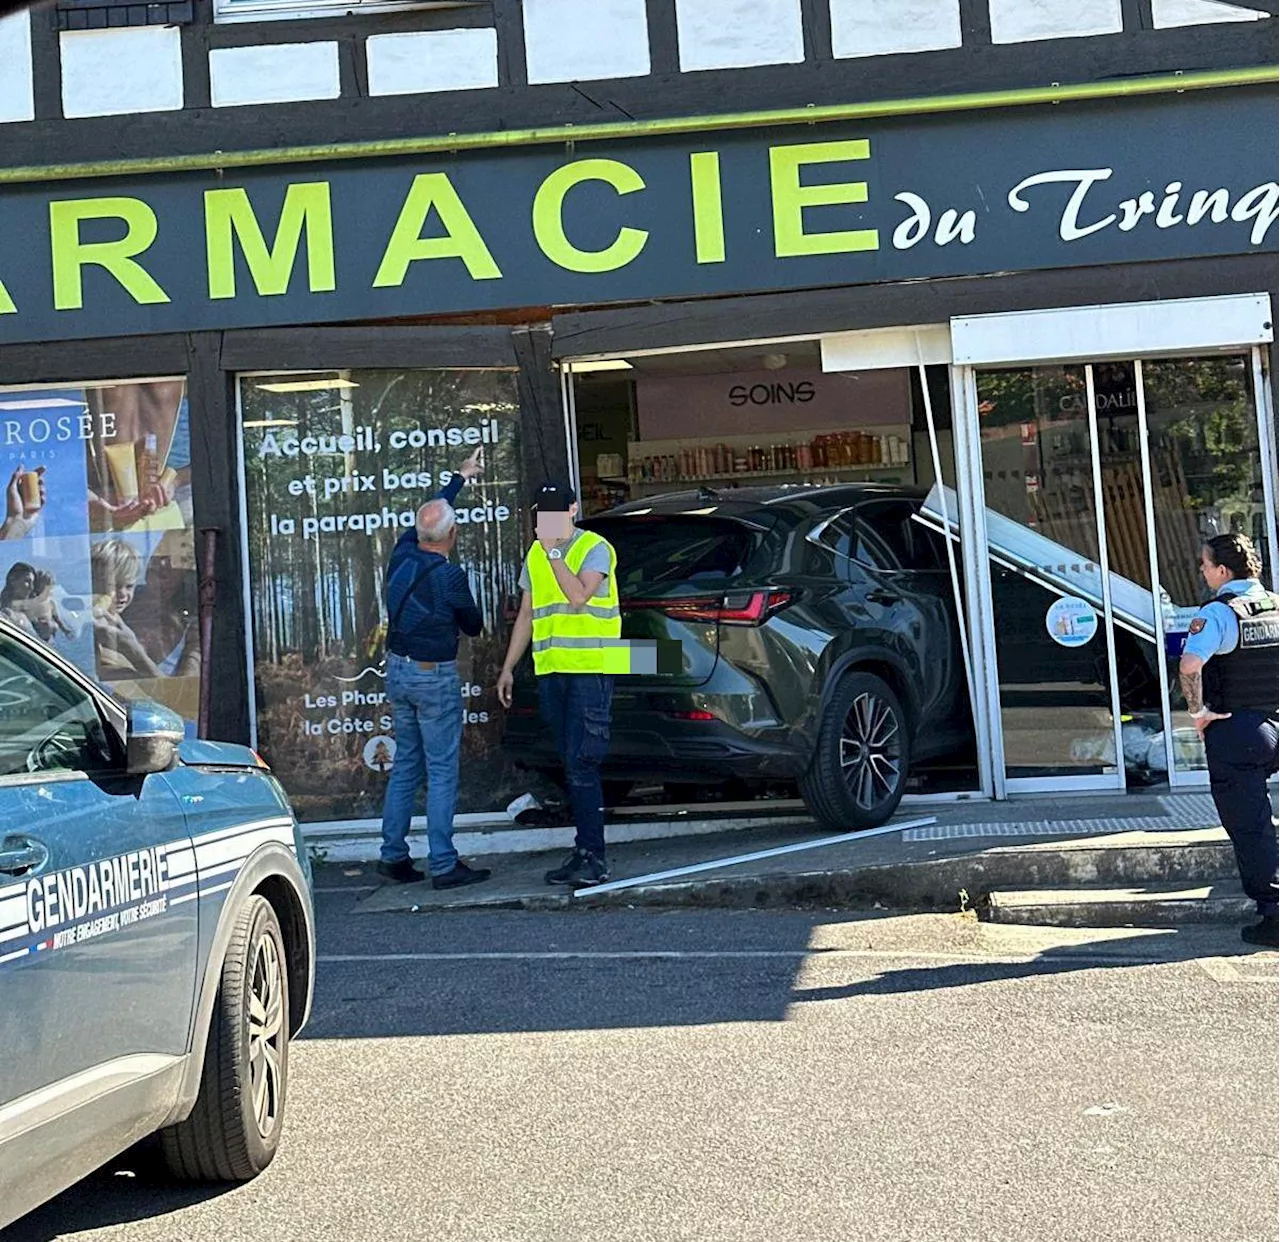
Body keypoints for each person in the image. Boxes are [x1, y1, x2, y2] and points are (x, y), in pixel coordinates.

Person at [496, 482, 621, 888]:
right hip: (553, 671)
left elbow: (579, 596)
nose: (547, 520)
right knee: (570, 761)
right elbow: (528, 615)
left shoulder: (594, 547)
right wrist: (509, 667)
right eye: (541, 513)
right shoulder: (536, 554)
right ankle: (583, 850)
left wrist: (552, 552)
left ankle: (595, 857)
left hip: (592, 668)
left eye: (555, 511)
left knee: (583, 762)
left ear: (572, 508)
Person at [377, 449, 491, 889]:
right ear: (454, 533)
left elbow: (433, 512)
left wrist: (459, 480)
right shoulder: (450, 577)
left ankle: (393, 857)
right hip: (433, 675)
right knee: (442, 769)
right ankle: (443, 863)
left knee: (407, 763)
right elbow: (474, 625)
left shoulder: (402, 552)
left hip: (398, 671)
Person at [1179, 532, 1280, 947]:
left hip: (1239, 732)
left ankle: (1274, 916)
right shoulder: (1275, 605)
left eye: (1204, 565)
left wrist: (1197, 712)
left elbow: (1189, 665)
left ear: (1223, 570)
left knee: (1251, 827)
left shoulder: (1218, 614)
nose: (1202, 572)